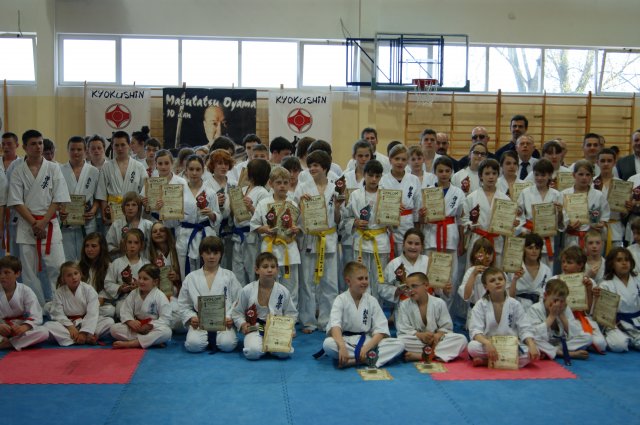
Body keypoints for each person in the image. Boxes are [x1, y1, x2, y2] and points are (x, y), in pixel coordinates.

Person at [7, 129, 71, 306]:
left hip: (49, 224)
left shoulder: (53, 168)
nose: (38, 147)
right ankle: (37, 308)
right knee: (29, 272)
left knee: (57, 267)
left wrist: (42, 223)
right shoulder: (18, 171)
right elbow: (16, 202)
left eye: (40, 143)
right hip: (27, 226)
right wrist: (34, 223)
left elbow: (58, 198)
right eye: (33, 144)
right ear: (25, 147)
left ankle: (60, 306)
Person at [320, 261, 404, 368]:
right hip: (346, 340)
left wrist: (367, 347)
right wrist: (341, 346)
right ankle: (370, 357)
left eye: (366, 278)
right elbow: (335, 326)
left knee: (399, 344)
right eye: (360, 279)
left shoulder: (371, 300)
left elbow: (381, 330)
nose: (364, 282)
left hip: (367, 341)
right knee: (328, 344)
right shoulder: (340, 299)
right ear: (348, 281)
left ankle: (354, 361)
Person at [294, 150, 342, 333]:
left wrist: (337, 207)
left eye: (316, 165)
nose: (312, 168)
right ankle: (308, 321)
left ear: (325, 168)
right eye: (310, 165)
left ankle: (327, 320)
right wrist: (300, 203)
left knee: (329, 283)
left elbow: (338, 219)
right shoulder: (302, 187)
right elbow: (295, 216)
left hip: (328, 238)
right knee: (307, 282)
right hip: (309, 238)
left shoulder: (335, 188)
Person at [467, 266, 541, 368]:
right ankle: (507, 361)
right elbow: (475, 331)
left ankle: (486, 361)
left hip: (510, 346)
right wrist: (487, 343)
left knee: (534, 351)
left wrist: (531, 344)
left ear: (505, 282)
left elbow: (525, 328)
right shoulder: (480, 305)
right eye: (492, 280)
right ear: (485, 286)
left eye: (500, 279)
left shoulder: (514, 304)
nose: (497, 282)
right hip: (490, 345)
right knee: (472, 347)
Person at [178, 236, 240, 353]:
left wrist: (230, 317)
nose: (211, 257)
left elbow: (238, 300)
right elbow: (183, 303)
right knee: (193, 345)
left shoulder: (229, 276)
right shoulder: (191, 277)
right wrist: (191, 317)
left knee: (228, 345)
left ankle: (217, 338)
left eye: (215, 253)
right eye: (207, 253)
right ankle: (205, 338)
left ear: (221, 254)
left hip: (223, 320)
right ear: (201, 254)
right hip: (200, 321)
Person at [232, 252, 298, 360]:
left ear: (277, 269)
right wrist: (242, 324)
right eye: (265, 266)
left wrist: (289, 329)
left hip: (276, 329)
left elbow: (291, 313)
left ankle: (269, 347)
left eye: (273, 267)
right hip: (255, 328)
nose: (270, 270)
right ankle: (263, 346)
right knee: (252, 352)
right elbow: (237, 312)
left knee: (284, 353)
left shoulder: (283, 291)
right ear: (257, 269)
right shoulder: (247, 290)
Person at [251, 167, 301, 308]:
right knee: (270, 285)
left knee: (291, 286)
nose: (282, 186)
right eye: (278, 182)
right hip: (270, 248)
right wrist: (265, 229)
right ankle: (271, 314)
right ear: (271, 183)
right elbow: (254, 225)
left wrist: (296, 229)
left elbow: (300, 226)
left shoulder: (293, 204)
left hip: (289, 249)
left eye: (285, 182)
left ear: (290, 183)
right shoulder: (263, 203)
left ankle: (290, 316)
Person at [342, 160, 391, 301]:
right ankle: (361, 307)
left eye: (377, 176)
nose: (374, 179)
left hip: (380, 241)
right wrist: (355, 222)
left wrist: (394, 212)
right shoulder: (355, 195)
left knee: (379, 279)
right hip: (361, 241)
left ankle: (377, 309)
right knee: (360, 278)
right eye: (370, 175)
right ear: (364, 175)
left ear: (381, 177)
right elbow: (346, 218)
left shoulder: (387, 195)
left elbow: (393, 223)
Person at [396, 272, 468, 362]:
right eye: (407, 287)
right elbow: (403, 329)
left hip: (436, 342)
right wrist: (420, 335)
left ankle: (422, 356)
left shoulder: (439, 303)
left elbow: (446, 327)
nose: (410, 290)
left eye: (414, 286)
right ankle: (436, 354)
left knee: (461, 339)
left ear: (426, 286)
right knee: (400, 342)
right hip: (417, 340)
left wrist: (438, 335)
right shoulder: (404, 304)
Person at [45, 261, 114, 346]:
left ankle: (79, 337)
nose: (74, 277)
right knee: (48, 326)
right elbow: (58, 313)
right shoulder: (59, 292)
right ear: (63, 278)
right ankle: (87, 338)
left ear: (80, 274)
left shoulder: (88, 289)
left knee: (109, 322)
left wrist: (84, 332)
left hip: (86, 321)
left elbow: (92, 313)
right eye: (69, 275)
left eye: (76, 273)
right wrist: (70, 327)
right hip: (69, 323)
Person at [421, 156, 464, 286]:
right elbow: (421, 219)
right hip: (431, 233)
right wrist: (422, 215)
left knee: (450, 273)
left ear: (452, 172)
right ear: (435, 172)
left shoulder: (458, 192)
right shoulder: (427, 191)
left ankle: (448, 299)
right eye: (440, 171)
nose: (444, 174)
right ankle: (432, 297)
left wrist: (462, 241)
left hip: (450, 235)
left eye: (447, 171)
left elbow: (461, 219)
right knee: (430, 270)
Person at [555, 245, 607, 352]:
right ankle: (561, 347)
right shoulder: (555, 280)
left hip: (582, 318)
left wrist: (589, 290)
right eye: (563, 262)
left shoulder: (589, 282)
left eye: (569, 262)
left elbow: (588, 311)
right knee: (584, 339)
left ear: (580, 265)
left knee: (601, 344)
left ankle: (572, 344)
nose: (564, 265)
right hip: (562, 318)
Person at [526, 278, 592, 360]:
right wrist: (552, 316)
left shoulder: (564, 308)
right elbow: (534, 334)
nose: (559, 304)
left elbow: (575, 333)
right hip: (544, 342)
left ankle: (554, 351)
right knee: (533, 340)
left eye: (562, 301)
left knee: (588, 337)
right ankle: (565, 353)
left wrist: (562, 315)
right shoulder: (535, 309)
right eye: (556, 300)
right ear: (546, 295)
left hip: (559, 344)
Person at [177, 155, 220, 278]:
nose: (194, 173)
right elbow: (172, 219)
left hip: (205, 234)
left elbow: (218, 216)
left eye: (198, 169)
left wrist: (211, 214)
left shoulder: (210, 192)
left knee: (208, 272)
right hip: (185, 235)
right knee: (186, 272)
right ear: (186, 170)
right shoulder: (179, 191)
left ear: (203, 171)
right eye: (191, 169)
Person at [110, 264, 172, 349]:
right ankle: (151, 341)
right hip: (136, 327)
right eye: (139, 278)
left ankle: (133, 343)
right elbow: (125, 311)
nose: (141, 281)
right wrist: (130, 321)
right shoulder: (134, 293)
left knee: (167, 332)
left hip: (151, 328)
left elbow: (165, 319)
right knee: (114, 329)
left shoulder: (160, 296)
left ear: (155, 281)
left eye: (145, 279)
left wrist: (150, 325)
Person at [462, 158, 511, 266]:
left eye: (494, 173)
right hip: (477, 240)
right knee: (476, 271)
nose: (491, 177)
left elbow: (508, 224)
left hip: (496, 241)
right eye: (487, 173)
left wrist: (511, 223)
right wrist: (469, 225)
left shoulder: (505, 199)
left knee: (495, 273)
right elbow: (464, 219)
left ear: (498, 175)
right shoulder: (471, 197)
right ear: (480, 176)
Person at [517, 158, 564, 269]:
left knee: (547, 271)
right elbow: (519, 216)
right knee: (528, 269)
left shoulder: (557, 195)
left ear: (550, 175)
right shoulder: (525, 193)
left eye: (543, 175)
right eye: (536, 174)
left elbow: (561, 223)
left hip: (548, 239)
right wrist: (523, 230)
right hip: (529, 238)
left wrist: (560, 212)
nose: (539, 178)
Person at [95, 131, 147, 229]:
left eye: (123, 145)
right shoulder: (106, 167)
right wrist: (104, 214)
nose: (119, 148)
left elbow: (145, 190)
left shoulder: (139, 166)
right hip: (113, 211)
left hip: (133, 210)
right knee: (114, 236)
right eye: (116, 145)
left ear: (129, 145)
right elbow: (102, 193)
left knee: (133, 237)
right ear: (112, 146)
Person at [231, 158, 270, 285]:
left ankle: (253, 296)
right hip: (238, 236)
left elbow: (265, 220)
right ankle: (239, 296)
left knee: (252, 271)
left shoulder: (263, 193)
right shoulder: (243, 190)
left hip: (252, 237)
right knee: (237, 272)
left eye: (248, 169)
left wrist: (251, 208)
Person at [60, 136, 100, 261]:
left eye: (79, 149)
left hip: (87, 221)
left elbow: (98, 196)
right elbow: (54, 196)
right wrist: (60, 210)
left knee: (89, 258)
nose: (76, 152)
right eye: (72, 149)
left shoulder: (94, 171)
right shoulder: (59, 170)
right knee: (68, 259)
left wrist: (93, 210)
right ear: (67, 150)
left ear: (85, 151)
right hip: (66, 221)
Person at [595, 247, 640, 352]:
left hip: (637, 320)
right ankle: (627, 338)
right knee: (619, 345)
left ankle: (632, 339)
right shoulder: (605, 284)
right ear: (612, 264)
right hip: (616, 323)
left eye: (627, 260)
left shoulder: (638, 279)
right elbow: (604, 315)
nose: (624, 263)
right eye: (619, 260)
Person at [380, 144, 422, 257]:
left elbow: (417, 206)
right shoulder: (383, 180)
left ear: (407, 161)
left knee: (407, 259)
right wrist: (392, 208)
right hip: (388, 226)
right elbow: (379, 206)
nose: (400, 162)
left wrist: (417, 229)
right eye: (397, 159)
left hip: (408, 225)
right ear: (390, 159)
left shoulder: (414, 180)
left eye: (403, 159)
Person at [0, 256, 49, 351]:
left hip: (18, 326)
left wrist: (25, 326)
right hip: (2, 326)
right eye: (0, 273)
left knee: (44, 332)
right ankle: (16, 342)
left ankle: (8, 344)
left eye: (6, 272)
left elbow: (36, 314)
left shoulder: (25, 290)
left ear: (17, 273)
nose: (2, 276)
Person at [562, 160, 610, 250]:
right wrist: (567, 225)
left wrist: (601, 224)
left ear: (592, 176)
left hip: (592, 239)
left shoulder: (598, 195)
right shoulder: (564, 194)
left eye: (588, 175)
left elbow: (605, 215)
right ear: (574, 175)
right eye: (581, 174)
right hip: (572, 237)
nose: (584, 178)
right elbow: (560, 217)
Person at [104, 228, 150, 318]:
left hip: (142, 298)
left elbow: (152, 284)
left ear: (141, 245)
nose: (132, 246)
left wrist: (139, 286)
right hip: (123, 299)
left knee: (146, 310)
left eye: (136, 243)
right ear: (125, 244)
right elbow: (108, 283)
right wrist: (120, 288)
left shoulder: (146, 264)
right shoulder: (116, 263)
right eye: (129, 242)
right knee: (120, 310)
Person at [379, 228, 429, 305]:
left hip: (426, 306)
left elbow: (438, 288)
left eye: (417, 244)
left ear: (422, 247)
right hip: (403, 307)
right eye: (410, 243)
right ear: (403, 244)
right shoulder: (394, 264)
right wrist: (396, 291)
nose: (413, 247)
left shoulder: (428, 261)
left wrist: (444, 290)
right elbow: (381, 287)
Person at [148, 222, 183, 331]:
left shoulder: (177, 250)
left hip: (176, 293)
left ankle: (160, 326)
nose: (158, 233)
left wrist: (178, 277)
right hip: (157, 293)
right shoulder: (149, 254)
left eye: (162, 230)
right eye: (154, 231)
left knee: (180, 320)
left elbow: (187, 274)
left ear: (167, 232)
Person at [594, 148, 630, 253]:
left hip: (615, 230)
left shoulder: (622, 185)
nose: (606, 164)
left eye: (609, 161)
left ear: (614, 162)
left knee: (614, 261)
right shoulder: (591, 183)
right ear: (597, 162)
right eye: (602, 161)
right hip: (595, 230)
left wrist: (626, 210)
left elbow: (624, 214)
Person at [206, 149, 235, 270]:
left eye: (226, 163)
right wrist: (215, 203)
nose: (224, 167)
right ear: (213, 165)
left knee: (231, 264)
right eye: (219, 163)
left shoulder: (234, 184)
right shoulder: (206, 185)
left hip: (231, 230)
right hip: (213, 230)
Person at [509, 233, 552, 310]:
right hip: (519, 307)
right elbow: (509, 296)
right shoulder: (515, 268)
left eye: (537, 248)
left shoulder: (546, 270)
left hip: (540, 308)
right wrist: (515, 279)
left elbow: (549, 295)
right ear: (523, 249)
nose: (534, 251)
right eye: (530, 248)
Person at [458, 239, 495, 327]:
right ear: (475, 254)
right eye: (483, 253)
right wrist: (473, 275)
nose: (487, 256)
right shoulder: (470, 272)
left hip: (493, 313)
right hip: (475, 313)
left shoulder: (496, 272)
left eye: (490, 253)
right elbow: (466, 296)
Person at [106, 192, 153, 257]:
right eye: (127, 205)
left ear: (139, 207)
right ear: (123, 207)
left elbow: (154, 247)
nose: (130, 208)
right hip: (123, 261)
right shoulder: (116, 225)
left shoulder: (148, 225)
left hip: (144, 261)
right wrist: (119, 249)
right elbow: (107, 246)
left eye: (134, 205)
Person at [79, 232, 113, 318]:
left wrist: (94, 305)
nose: (89, 249)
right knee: (48, 306)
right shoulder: (78, 266)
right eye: (87, 246)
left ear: (102, 248)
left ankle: (84, 316)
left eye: (93, 246)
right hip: (81, 302)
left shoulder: (109, 266)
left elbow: (106, 291)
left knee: (110, 310)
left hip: (98, 304)